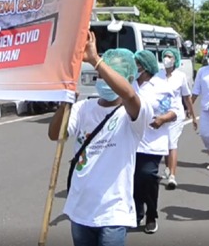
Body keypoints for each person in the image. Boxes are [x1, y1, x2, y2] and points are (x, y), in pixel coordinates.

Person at [49, 32, 154, 246]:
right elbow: (55, 135)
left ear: (129, 79)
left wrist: (96, 61)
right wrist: (64, 104)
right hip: (80, 209)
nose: (104, 81)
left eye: (110, 75)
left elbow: (129, 96)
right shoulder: (83, 109)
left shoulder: (134, 112)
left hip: (113, 212)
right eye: (101, 76)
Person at [131, 50, 176, 234]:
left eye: (138, 64)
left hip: (153, 141)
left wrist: (162, 119)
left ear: (146, 67)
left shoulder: (161, 86)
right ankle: (136, 212)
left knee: (148, 176)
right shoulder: (129, 84)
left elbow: (173, 112)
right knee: (133, 179)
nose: (135, 67)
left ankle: (151, 215)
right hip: (132, 141)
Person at [158, 48, 196, 190]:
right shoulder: (158, 75)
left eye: (170, 56)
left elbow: (187, 97)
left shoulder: (180, 76)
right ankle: (167, 168)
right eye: (165, 56)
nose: (167, 59)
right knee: (165, 143)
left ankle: (172, 176)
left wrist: (192, 115)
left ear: (175, 60)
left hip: (176, 115)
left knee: (172, 143)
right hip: (162, 114)